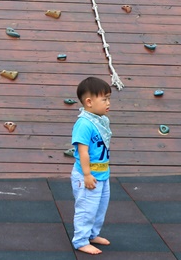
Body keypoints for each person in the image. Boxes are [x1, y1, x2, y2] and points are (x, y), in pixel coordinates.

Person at [70, 76, 112, 255]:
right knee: (86, 209)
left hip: (102, 174)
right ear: (89, 102)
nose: (108, 103)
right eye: (104, 99)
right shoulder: (84, 124)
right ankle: (80, 240)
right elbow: (83, 152)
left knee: (100, 208)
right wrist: (87, 174)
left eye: (108, 98)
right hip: (88, 175)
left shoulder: (101, 120)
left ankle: (92, 234)